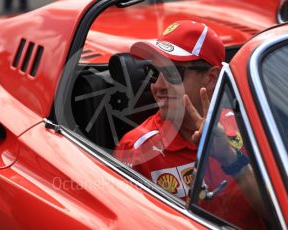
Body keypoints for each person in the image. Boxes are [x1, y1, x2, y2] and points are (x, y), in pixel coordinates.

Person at [114, 20, 267, 229]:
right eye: (154, 71)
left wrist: (229, 158)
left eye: (173, 73)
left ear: (211, 78)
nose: (157, 86)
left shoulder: (247, 125)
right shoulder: (136, 148)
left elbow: (278, 211)